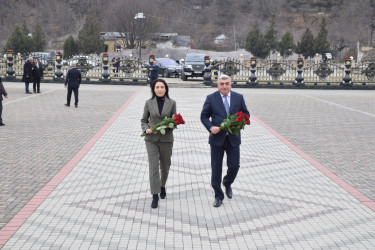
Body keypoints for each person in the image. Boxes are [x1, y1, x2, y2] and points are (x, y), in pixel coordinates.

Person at [200, 74, 250, 207]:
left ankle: (227, 182)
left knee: (234, 166)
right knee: (216, 168)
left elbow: (246, 114)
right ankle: (218, 195)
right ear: (218, 85)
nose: (224, 86)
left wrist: (240, 123)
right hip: (217, 139)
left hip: (233, 139)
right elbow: (204, 116)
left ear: (230, 84)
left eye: (227, 83)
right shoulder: (211, 98)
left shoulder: (238, 98)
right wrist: (210, 127)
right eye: (221, 84)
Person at [141, 79, 176, 209]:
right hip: (151, 139)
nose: (160, 89)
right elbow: (144, 120)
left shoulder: (172, 103)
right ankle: (155, 195)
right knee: (154, 167)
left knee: (165, 166)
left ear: (166, 89)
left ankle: (162, 186)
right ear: (153, 89)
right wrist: (146, 129)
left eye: (162, 87)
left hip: (166, 139)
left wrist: (169, 126)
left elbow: (175, 120)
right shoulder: (148, 103)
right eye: (157, 87)